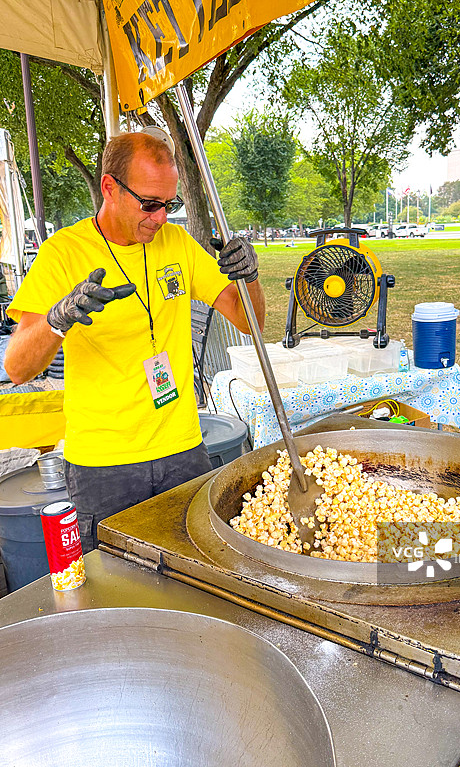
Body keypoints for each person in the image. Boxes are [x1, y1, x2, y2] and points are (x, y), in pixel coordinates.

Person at [5, 131, 265, 552]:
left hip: (183, 448)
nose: (161, 218)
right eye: (149, 203)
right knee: (116, 580)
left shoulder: (176, 243)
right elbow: (17, 368)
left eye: (170, 204)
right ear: (109, 187)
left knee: (199, 567)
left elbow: (250, 321)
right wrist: (57, 319)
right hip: (103, 463)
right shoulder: (63, 253)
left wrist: (248, 277)